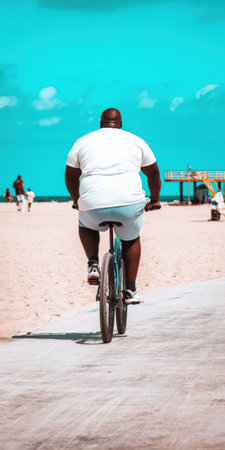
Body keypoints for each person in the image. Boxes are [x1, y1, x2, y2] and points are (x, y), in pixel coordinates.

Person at [65, 108, 161, 304]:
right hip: (128, 203)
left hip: (93, 203)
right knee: (131, 238)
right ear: (121, 124)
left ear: (100, 123)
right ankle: (131, 290)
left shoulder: (83, 141)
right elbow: (153, 174)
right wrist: (155, 200)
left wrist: (76, 200)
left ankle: (93, 263)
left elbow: (70, 176)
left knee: (85, 223)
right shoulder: (136, 140)